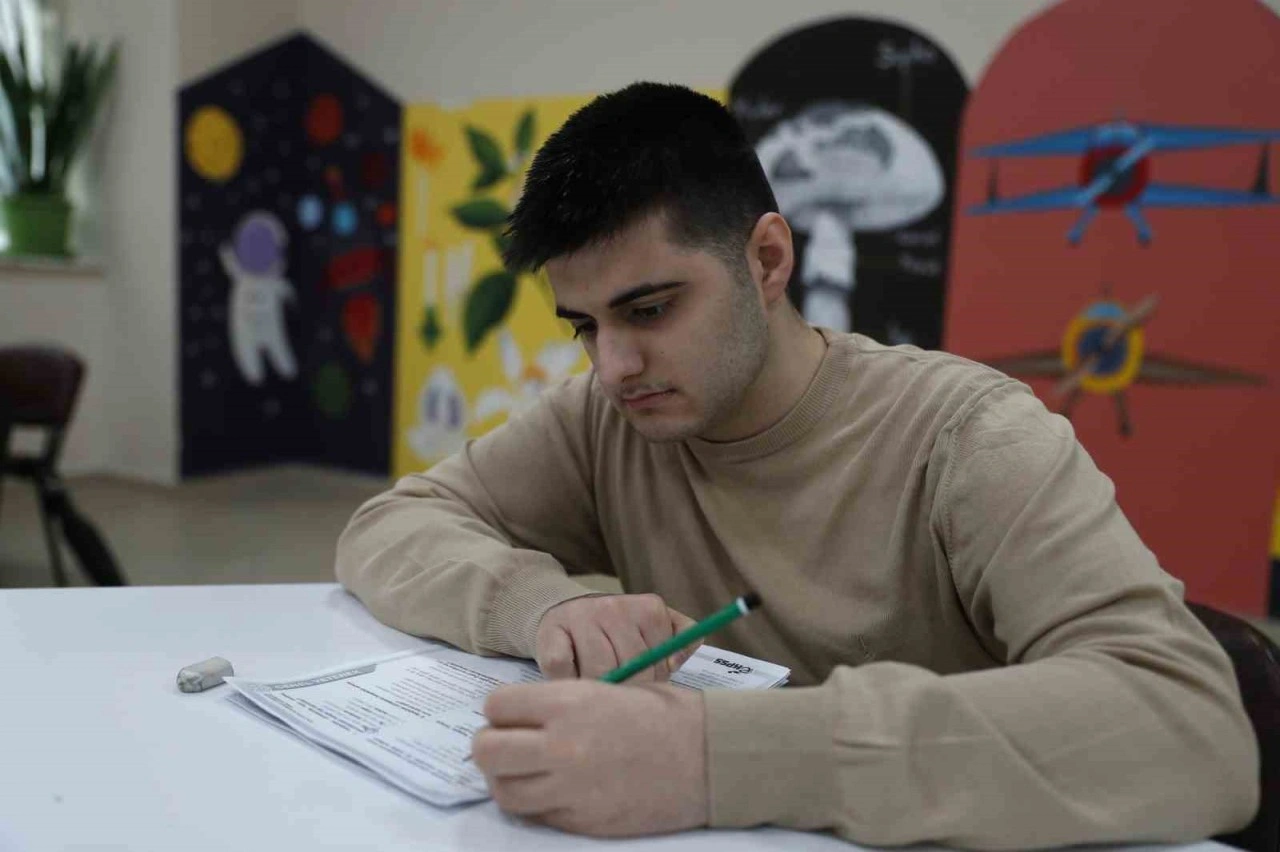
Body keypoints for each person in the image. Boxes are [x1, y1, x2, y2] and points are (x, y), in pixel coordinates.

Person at [335, 82, 1258, 848]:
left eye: (649, 310)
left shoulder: (970, 437)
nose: (611, 366)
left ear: (768, 260)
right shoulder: (607, 418)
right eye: (583, 325)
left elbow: (1190, 726)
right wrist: (544, 605)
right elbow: (390, 526)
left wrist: (710, 757)